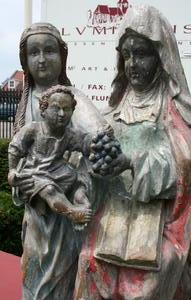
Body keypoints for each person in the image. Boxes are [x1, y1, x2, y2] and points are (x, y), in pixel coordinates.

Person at [74, 5, 191, 300]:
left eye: (141, 53)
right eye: (126, 54)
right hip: (111, 221)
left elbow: (186, 166)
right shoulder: (112, 110)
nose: (132, 63)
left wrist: (132, 162)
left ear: (161, 56)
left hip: (159, 224)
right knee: (87, 262)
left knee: (151, 278)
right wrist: (91, 164)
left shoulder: (172, 112)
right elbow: (87, 164)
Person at [13, 22, 108, 299]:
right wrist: (22, 179)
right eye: (34, 53)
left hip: (65, 221)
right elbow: (18, 154)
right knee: (33, 278)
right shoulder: (26, 101)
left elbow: (99, 140)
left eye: (49, 51)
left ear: (62, 56)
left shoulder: (73, 100)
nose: (42, 59)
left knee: (59, 285)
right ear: (25, 60)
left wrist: (79, 178)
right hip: (36, 213)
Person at [9, 85, 93, 225]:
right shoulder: (33, 130)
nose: (61, 114)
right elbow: (14, 149)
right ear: (44, 110)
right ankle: (72, 212)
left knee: (77, 182)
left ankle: (82, 204)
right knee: (49, 189)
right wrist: (12, 171)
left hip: (59, 172)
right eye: (56, 108)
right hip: (35, 173)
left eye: (66, 109)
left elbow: (85, 142)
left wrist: (99, 140)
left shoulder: (69, 134)